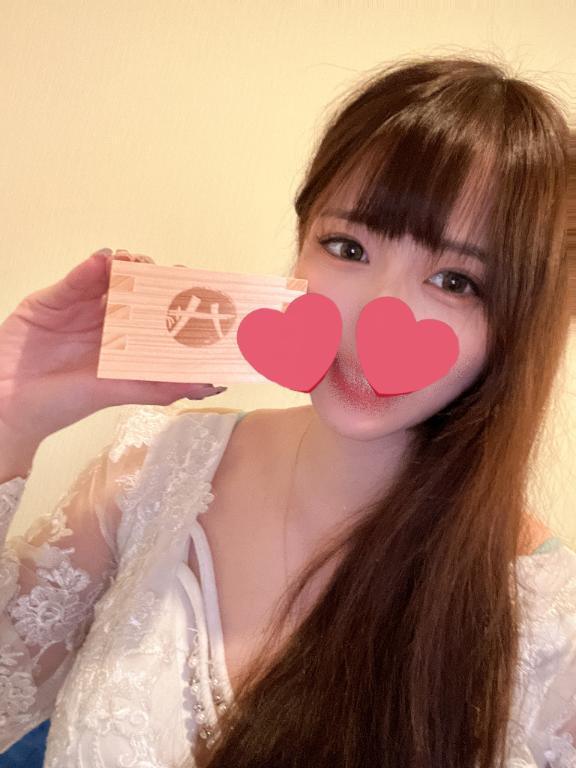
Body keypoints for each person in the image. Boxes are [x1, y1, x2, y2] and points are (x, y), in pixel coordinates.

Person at [1, 52, 575, 768]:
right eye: (347, 247)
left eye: (456, 281)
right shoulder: (149, 474)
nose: (372, 318)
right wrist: (13, 414)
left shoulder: (549, 625)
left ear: (523, 321)